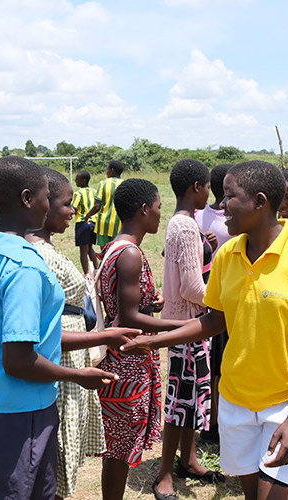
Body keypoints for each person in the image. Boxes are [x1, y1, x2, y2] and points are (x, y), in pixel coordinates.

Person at [121, 161, 288, 500]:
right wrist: (156, 342)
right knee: (253, 494)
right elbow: (213, 321)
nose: (220, 205)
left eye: (229, 197)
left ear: (259, 201)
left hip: (287, 400)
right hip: (236, 398)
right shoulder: (228, 255)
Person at [0, 156, 132, 500]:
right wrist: (77, 376)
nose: (50, 205)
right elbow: (17, 360)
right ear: (28, 199)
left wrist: (101, 336)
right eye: (48, 197)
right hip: (22, 413)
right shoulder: (26, 266)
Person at [94, 178, 191, 500]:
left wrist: (151, 303)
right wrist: (181, 325)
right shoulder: (131, 254)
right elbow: (130, 317)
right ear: (144, 209)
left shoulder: (114, 247)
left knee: (118, 446)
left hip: (121, 355)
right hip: (128, 361)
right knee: (120, 448)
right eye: (159, 208)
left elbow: (127, 305)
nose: (161, 214)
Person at [25, 169, 109, 500]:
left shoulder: (46, 246)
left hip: (71, 355)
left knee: (65, 444)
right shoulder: (39, 253)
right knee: (58, 447)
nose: (73, 212)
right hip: (60, 358)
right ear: (43, 204)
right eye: (66, 204)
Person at [154, 159, 219, 499]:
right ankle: (165, 473)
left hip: (190, 321)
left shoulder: (185, 224)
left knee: (191, 398)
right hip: (187, 322)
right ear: (196, 187)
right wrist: (224, 301)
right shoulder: (183, 227)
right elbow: (192, 287)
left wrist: (206, 246)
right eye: (207, 186)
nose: (210, 191)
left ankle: (189, 460)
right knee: (179, 401)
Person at [194, 162, 232, 446]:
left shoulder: (197, 216)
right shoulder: (232, 224)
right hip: (227, 299)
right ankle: (220, 424)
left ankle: (212, 423)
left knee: (215, 366)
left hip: (207, 298)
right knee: (223, 366)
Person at [86, 160, 124, 249]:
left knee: (105, 253)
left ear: (112, 170)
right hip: (119, 223)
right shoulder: (125, 184)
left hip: (103, 224)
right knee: (117, 252)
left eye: (107, 169)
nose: (106, 172)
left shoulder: (103, 183)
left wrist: (87, 216)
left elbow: (97, 206)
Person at [71, 169, 99, 274]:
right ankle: (96, 270)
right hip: (94, 223)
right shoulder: (94, 191)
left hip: (82, 223)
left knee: (83, 251)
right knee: (90, 248)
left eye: (77, 179)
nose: (75, 180)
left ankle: (86, 274)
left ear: (83, 180)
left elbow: (74, 209)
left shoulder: (78, 194)